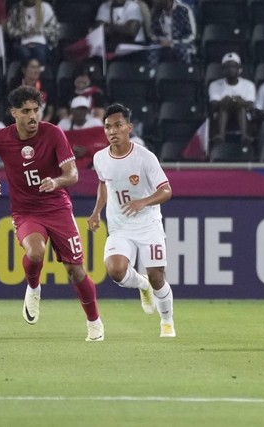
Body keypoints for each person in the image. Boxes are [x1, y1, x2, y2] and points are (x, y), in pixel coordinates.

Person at [0, 85, 104, 341]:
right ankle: (33, 287)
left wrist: (56, 182)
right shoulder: (1, 137)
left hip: (58, 208)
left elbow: (73, 175)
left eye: (36, 110)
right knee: (35, 252)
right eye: (26, 111)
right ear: (14, 113)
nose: (32, 116)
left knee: (75, 270)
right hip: (26, 210)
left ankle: (94, 323)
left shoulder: (53, 133)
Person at [88, 103, 176, 338]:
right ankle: (142, 285)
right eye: (108, 127)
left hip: (149, 226)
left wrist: (143, 201)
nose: (112, 131)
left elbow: (166, 191)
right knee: (116, 271)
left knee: (158, 276)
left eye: (118, 126)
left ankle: (167, 321)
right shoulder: (100, 158)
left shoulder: (145, 157)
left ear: (129, 127)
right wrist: (97, 211)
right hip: (120, 228)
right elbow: (104, 183)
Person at [208, 52, 256, 146]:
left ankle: (244, 136)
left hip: (244, 114)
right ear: (223, 69)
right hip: (221, 113)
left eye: (234, 66)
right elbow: (214, 104)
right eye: (227, 66)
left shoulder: (249, 84)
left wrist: (238, 101)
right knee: (224, 107)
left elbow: (250, 105)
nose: (230, 69)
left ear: (239, 69)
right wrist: (227, 101)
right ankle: (220, 136)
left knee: (240, 107)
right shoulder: (215, 84)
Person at [5, 0, 60, 65]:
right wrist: (24, 32)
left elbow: (54, 30)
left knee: (39, 52)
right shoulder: (16, 9)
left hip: (42, 43)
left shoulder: (45, 7)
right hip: (21, 42)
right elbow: (10, 30)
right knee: (24, 53)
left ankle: (40, 73)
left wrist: (38, 31)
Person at [148, 0, 197, 65]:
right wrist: (161, 41)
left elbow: (192, 35)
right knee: (151, 52)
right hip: (161, 43)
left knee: (183, 52)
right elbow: (152, 34)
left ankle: (184, 73)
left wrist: (173, 42)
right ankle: (153, 73)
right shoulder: (156, 11)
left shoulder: (185, 10)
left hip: (182, 43)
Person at [8, 57, 55, 123]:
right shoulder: (15, 85)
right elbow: (10, 109)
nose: (37, 71)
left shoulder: (46, 85)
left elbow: (50, 112)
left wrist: (42, 125)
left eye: (38, 67)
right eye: (33, 67)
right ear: (24, 70)